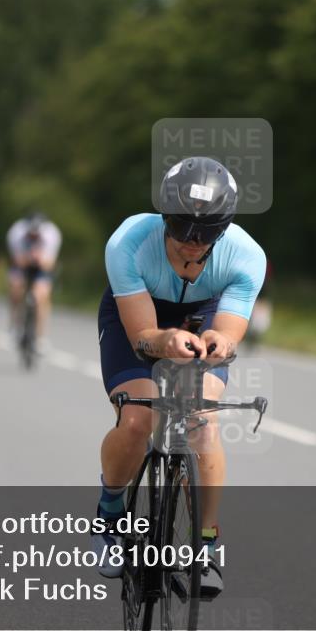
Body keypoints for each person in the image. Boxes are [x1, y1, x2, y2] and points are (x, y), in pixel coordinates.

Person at [91, 156, 266, 599]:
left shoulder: (246, 256)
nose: (192, 241)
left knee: (202, 422)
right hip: (139, 316)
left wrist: (221, 342)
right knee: (138, 419)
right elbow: (143, 337)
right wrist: (165, 340)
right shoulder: (129, 242)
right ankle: (109, 514)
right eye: (182, 227)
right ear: (164, 216)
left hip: (204, 312)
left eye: (206, 232)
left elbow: (228, 332)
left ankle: (205, 544)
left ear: (224, 227)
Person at [6, 212, 61, 350]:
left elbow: (50, 264)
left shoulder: (52, 234)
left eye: (36, 235)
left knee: (42, 295)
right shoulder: (16, 232)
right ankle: (15, 326)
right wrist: (28, 259)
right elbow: (17, 260)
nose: (33, 237)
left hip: (42, 266)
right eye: (31, 235)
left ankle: (40, 336)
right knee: (16, 287)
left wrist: (40, 260)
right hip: (21, 264)